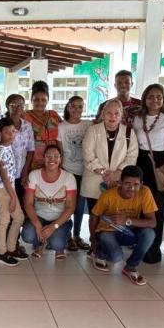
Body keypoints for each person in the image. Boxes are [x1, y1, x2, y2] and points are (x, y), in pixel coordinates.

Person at [132, 83, 164, 264]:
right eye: (151, 97)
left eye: (159, 97)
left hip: (162, 164)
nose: (155, 100)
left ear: (163, 99)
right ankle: (138, 245)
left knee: (157, 208)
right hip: (140, 162)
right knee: (138, 205)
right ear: (145, 99)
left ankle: (152, 251)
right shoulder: (138, 118)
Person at [89, 165, 157, 286]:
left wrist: (127, 221)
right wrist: (93, 242)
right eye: (127, 183)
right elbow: (93, 217)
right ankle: (99, 253)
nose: (131, 188)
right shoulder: (108, 195)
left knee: (149, 234)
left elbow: (152, 222)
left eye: (136, 184)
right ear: (120, 182)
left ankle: (131, 267)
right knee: (116, 258)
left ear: (141, 184)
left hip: (128, 231)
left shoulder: (145, 192)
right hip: (107, 231)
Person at [81, 98, 139, 225]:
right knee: (94, 214)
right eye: (108, 113)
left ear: (121, 115)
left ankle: (107, 241)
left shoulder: (129, 132)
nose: (112, 116)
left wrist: (117, 173)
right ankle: (94, 242)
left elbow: (132, 156)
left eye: (117, 113)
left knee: (112, 216)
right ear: (103, 114)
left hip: (118, 181)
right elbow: (87, 154)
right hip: (94, 180)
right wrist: (103, 172)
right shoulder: (93, 130)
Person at [21, 144, 76, 259]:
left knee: (57, 243)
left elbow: (70, 207)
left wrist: (53, 226)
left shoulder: (69, 177)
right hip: (40, 217)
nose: (52, 159)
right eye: (48, 156)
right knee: (27, 235)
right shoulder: (34, 175)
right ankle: (41, 243)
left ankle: (58, 243)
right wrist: (37, 225)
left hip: (60, 220)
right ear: (43, 157)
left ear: (61, 159)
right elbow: (28, 204)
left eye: (56, 156)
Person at [58, 96, 92, 251]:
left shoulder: (88, 125)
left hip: (85, 171)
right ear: (68, 107)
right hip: (68, 171)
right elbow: (60, 151)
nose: (77, 110)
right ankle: (68, 237)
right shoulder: (61, 126)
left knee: (80, 206)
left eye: (80, 106)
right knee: (67, 206)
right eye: (73, 106)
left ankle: (77, 235)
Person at [0, 117, 25, 265]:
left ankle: (11, 248)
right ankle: (1, 253)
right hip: (3, 189)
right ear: (0, 133)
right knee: (4, 220)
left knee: (18, 218)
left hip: (9, 188)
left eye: (13, 132)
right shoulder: (2, 152)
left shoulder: (6, 146)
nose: (11, 135)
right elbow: (4, 178)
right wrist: (12, 197)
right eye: (7, 132)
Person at [0, 94, 35, 216]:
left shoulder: (27, 126)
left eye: (20, 105)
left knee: (19, 207)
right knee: (6, 211)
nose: (17, 108)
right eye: (13, 105)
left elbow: (30, 149)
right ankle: (5, 234)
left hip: (20, 174)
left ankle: (15, 234)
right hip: (5, 176)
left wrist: (25, 171)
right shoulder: (1, 125)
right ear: (8, 107)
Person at [23, 80, 62, 169]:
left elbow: (66, 128)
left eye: (43, 100)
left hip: (53, 161)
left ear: (48, 101)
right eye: (36, 99)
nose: (40, 103)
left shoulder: (54, 115)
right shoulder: (24, 116)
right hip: (32, 162)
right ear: (31, 100)